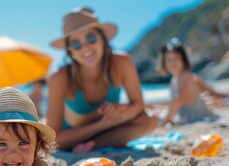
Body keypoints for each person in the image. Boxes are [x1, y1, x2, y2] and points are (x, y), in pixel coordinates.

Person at [47, 7, 158, 154]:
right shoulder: (60, 77)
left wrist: (121, 110)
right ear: (70, 51)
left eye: (91, 38)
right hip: (71, 138)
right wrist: (103, 124)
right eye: (76, 44)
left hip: (105, 134)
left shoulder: (121, 62)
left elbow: (139, 106)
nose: (85, 48)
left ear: (103, 39)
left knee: (150, 121)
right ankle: (93, 144)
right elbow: (53, 139)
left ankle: (92, 146)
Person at [156, 38, 229, 126]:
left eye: (176, 58)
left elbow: (178, 100)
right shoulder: (174, 79)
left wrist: (167, 119)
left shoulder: (186, 76)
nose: (172, 62)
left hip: (197, 117)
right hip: (185, 116)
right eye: (168, 59)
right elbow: (175, 102)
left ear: (183, 59)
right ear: (164, 62)